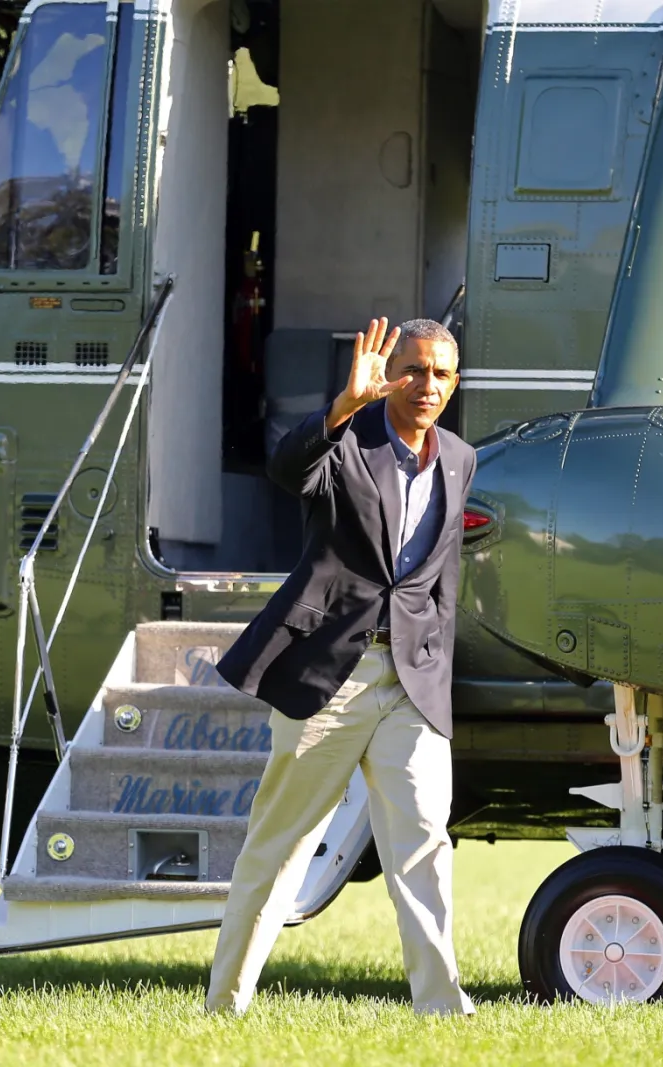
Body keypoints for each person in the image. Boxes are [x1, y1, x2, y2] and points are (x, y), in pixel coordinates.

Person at [206, 317, 477, 1017]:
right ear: (390, 375)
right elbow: (286, 468)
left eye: (441, 373)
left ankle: (443, 1009)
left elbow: (437, 575)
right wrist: (341, 406)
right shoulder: (347, 441)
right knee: (281, 847)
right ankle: (225, 1006)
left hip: (408, 686)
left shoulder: (458, 456)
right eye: (413, 369)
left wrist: (433, 666)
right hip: (330, 678)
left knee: (423, 844)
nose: (427, 386)